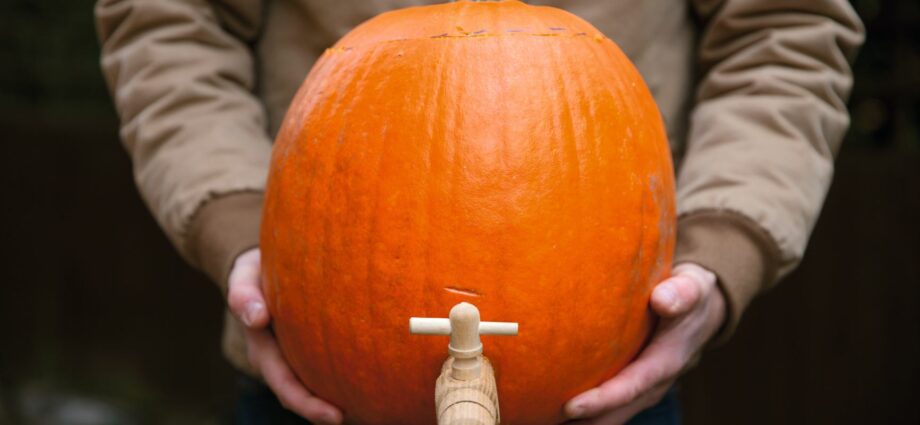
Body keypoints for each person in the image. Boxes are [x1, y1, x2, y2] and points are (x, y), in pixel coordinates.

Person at [95, 1, 863, 424]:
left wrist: (725, 248)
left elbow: (785, 30)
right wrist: (233, 224)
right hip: (314, 361)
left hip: (612, 369)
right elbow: (169, 19)